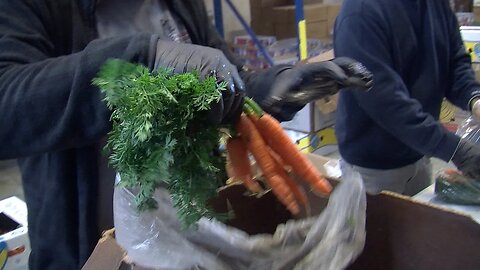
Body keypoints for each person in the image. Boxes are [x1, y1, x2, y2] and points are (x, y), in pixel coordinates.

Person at [0, 0, 372, 269]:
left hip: (191, 240)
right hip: (90, 250)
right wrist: (138, 63)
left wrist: (267, 87)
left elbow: (220, 75)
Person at [333, 0, 480, 196]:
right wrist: (456, 150)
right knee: (378, 227)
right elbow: (386, 103)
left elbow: (454, 62)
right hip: (374, 169)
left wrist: (475, 98)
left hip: (420, 153)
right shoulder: (361, 13)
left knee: (420, 221)